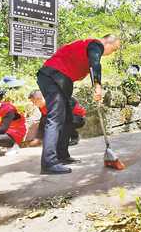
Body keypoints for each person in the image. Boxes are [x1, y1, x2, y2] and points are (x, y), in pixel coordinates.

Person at [37, 34, 121, 174]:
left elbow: (88, 64)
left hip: (58, 79)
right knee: (55, 119)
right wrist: (98, 86)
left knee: (68, 119)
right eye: (113, 49)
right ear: (108, 43)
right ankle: (48, 163)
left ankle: (62, 156)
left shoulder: (86, 48)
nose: (110, 53)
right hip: (54, 76)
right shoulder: (95, 45)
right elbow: (95, 64)